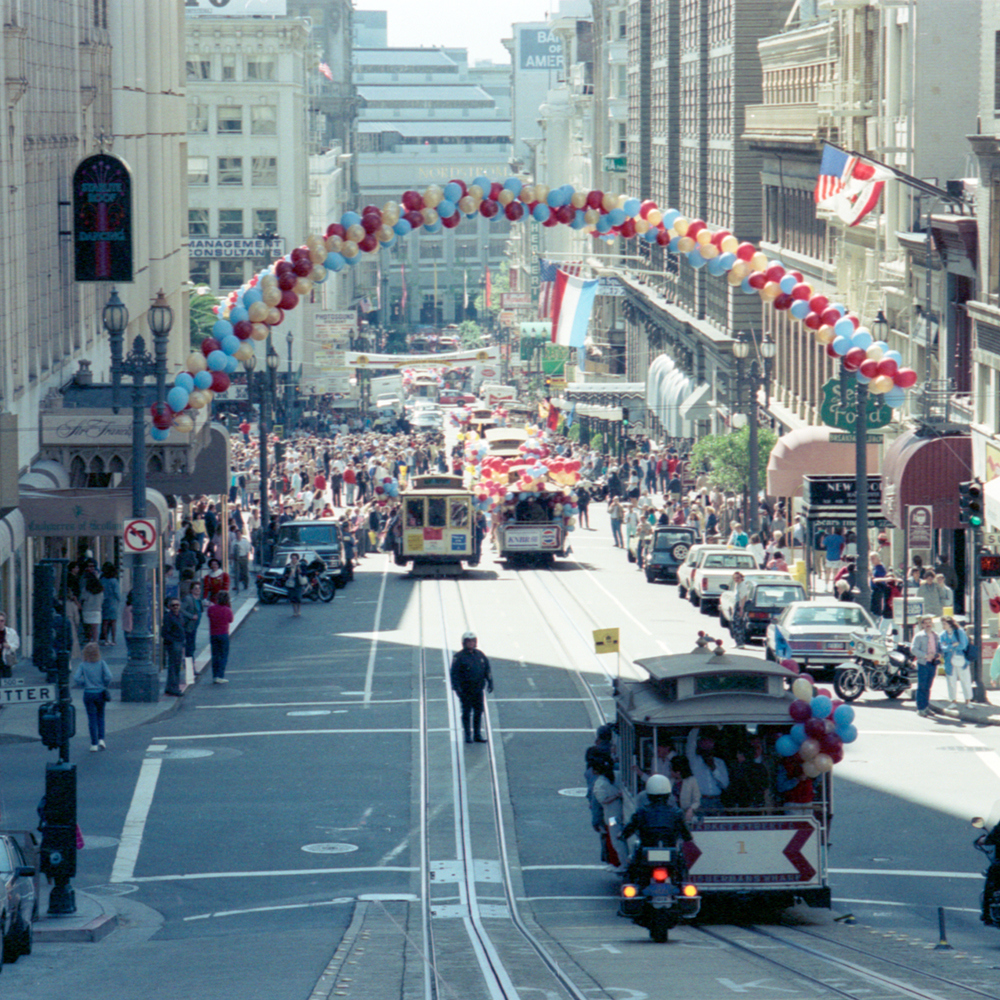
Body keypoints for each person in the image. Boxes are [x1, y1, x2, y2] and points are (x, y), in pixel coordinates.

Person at [620, 775, 694, 878]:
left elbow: (630, 828)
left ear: (648, 794)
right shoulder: (677, 813)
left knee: (632, 868)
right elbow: (686, 835)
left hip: (645, 851)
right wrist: (688, 838)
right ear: (668, 794)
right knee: (682, 867)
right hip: (671, 851)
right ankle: (684, 885)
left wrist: (622, 835)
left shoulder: (642, 812)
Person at [450, 631, 493, 744]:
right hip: (466, 690)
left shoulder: (480, 655)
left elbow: (487, 669)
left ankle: (477, 734)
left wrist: (490, 681)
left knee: (479, 711)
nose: (471, 643)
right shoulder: (458, 657)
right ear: (464, 643)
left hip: (478, 689)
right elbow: (454, 674)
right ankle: (468, 735)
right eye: (468, 641)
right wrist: (456, 688)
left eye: (473, 641)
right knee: (466, 712)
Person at [72, 641, 112, 751]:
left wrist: (84, 684)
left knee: (92, 718)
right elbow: (109, 676)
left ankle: (93, 744)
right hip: (100, 693)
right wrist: (104, 684)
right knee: (101, 716)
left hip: (88, 694)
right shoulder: (102, 663)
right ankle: (101, 739)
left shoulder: (83, 665)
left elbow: (76, 678)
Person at [591, 758, 624, 869]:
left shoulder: (599, 784)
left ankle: (623, 864)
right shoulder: (616, 775)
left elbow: (603, 800)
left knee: (616, 840)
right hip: (620, 813)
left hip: (611, 817)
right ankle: (623, 862)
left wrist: (615, 796)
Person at [687, 732, 730, 811]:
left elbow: (725, 784)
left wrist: (714, 769)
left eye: (710, 742)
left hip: (716, 801)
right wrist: (697, 725)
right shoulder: (694, 760)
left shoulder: (719, 762)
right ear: (699, 743)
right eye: (704, 742)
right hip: (700, 801)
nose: (707, 744)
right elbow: (690, 743)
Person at [939, 615, 973, 707]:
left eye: (945, 623)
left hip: (961, 659)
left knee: (965, 679)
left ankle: (968, 701)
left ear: (950, 624)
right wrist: (953, 645)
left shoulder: (959, 632)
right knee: (951, 681)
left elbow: (963, 645)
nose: (943, 625)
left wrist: (948, 646)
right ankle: (953, 701)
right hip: (949, 661)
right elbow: (942, 648)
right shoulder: (942, 634)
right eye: (942, 623)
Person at [910, 615, 940, 717]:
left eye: (929, 622)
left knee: (928, 686)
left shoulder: (935, 635)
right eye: (926, 623)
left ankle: (926, 707)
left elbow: (939, 647)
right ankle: (920, 708)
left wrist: (939, 654)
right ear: (922, 624)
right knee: (921, 686)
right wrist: (925, 655)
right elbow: (913, 649)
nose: (928, 625)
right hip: (923, 663)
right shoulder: (919, 636)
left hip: (933, 663)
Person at [207, 590, 233, 684]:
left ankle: (214, 675)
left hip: (213, 634)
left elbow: (209, 616)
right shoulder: (227, 610)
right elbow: (230, 620)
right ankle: (220, 675)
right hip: (223, 634)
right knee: (223, 655)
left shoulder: (211, 609)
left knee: (215, 655)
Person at [161, 598, 185, 697]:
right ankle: (173, 688)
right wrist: (173, 641)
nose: (175, 607)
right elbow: (164, 632)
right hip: (173, 644)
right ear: (169, 607)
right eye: (173, 605)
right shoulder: (168, 617)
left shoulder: (180, 616)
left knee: (176, 666)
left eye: (177, 605)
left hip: (179, 643)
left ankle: (172, 687)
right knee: (173, 666)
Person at [669, 755, 701, 823]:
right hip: (671, 815)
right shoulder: (670, 781)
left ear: (678, 771)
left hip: (687, 815)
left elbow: (697, 801)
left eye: (671, 769)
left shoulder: (692, 781)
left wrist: (691, 809)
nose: (670, 771)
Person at [78, 560, 104, 644]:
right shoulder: (100, 590)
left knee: (88, 627)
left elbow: (82, 597)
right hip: (97, 609)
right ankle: (95, 642)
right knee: (95, 628)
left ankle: (89, 641)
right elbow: (102, 599)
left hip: (87, 609)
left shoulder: (86, 589)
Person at [181, 581, 204, 662]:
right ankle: (190, 669)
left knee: (192, 647)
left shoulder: (198, 600)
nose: (198, 590)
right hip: (189, 627)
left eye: (199, 588)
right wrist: (191, 616)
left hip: (194, 627)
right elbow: (181, 609)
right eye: (195, 588)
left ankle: (191, 667)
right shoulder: (188, 599)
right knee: (190, 648)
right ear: (191, 590)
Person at [99, 562, 120, 646]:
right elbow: (117, 593)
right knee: (113, 622)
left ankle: (106, 639)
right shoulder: (114, 581)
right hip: (113, 603)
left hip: (104, 602)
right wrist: (119, 600)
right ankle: (113, 639)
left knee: (105, 622)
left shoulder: (102, 580)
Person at [282, 552, 308, 617]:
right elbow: (284, 575)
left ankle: (299, 610)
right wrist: (288, 574)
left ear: (297, 559)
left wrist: (301, 572)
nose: (294, 559)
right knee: (293, 599)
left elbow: (305, 573)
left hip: (298, 583)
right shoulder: (288, 566)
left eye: (295, 558)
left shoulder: (301, 565)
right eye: (293, 558)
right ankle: (294, 611)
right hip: (291, 584)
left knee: (298, 598)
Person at [0, 610, 20, 679]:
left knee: (6, 679)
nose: (0, 623)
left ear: (4, 621)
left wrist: (9, 646)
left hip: (6, 660)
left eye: (2, 621)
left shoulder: (11, 632)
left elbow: (16, 644)